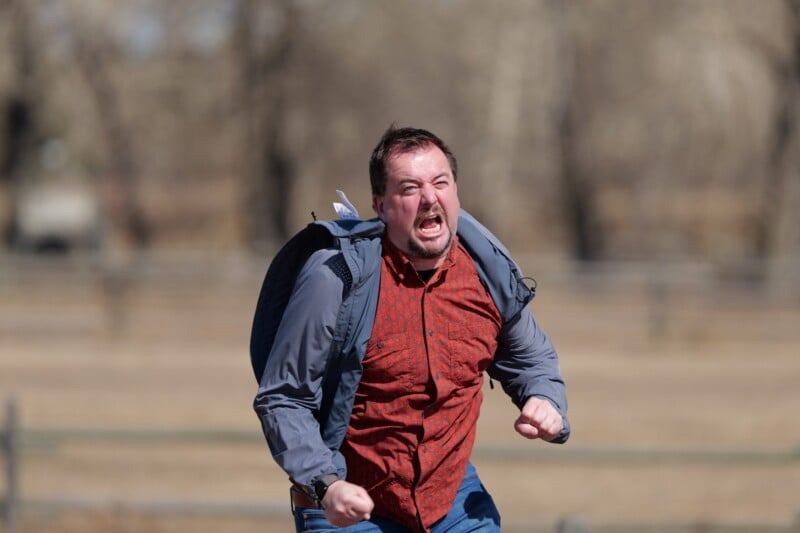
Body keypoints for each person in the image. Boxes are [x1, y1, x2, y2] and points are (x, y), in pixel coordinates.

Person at [253, 126, 569, 532]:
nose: (429, 198)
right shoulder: (335, 278)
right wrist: (325, 483)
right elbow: (284, 397)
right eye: (409, 188)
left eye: (440, 183)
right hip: (349, 502)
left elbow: (532, 359)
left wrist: (545, 400)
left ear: (455, 192)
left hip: (452, 502)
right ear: (380, 204)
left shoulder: (486, 274)